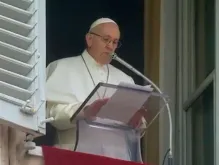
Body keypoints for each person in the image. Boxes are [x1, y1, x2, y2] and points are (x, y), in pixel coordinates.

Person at [46, 18, 145, 159]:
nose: (110, 46)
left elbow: (136, 130)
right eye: (106, 39)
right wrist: (85, 111)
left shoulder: (125, 79)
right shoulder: (62, 67)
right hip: (75, 157)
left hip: (117, 158)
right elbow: (50, 115)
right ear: (89, 39)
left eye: (115, 42)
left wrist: (137, 122)